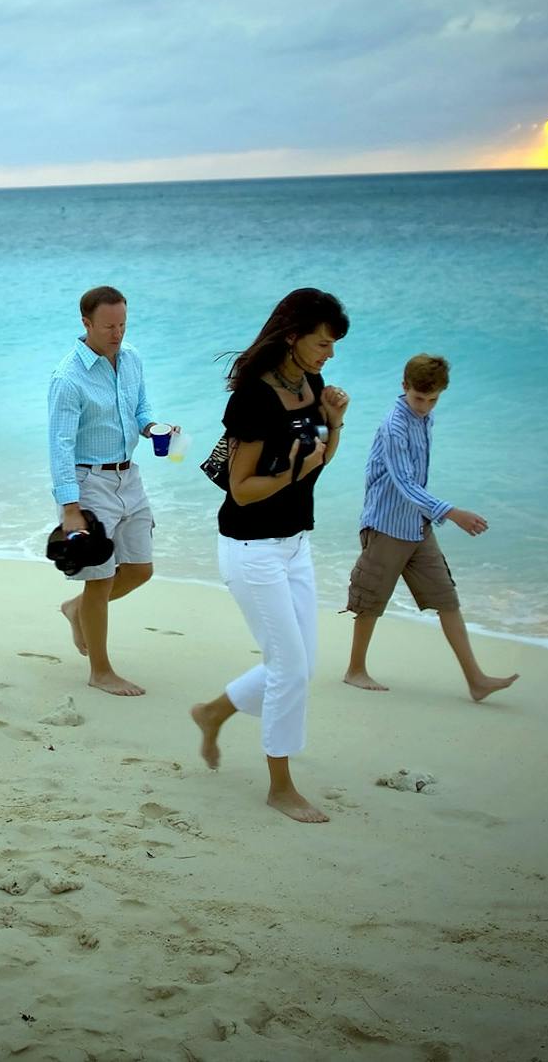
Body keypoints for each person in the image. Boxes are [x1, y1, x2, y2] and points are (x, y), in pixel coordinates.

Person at [190, 288, 350, 824]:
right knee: (289, 668)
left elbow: (319, 457)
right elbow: (242, 489)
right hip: (250, 549)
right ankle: (280, 785)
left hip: (295, 544)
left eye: (332, 346)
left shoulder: (312, 385)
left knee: (299, 667)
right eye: (323, 343)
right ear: (292, 336)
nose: (329, 354)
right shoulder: (253, 399)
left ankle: (212, 712)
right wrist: (295, 471)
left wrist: (335, 420)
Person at [339, 354, 518, 701]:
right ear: (404, 387)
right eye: (419, 398)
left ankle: (476, 680)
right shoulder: (394, 425)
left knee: (447, 600)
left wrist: (435, 515)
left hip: (417, 527)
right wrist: (452, 512)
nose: (424, 406)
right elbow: (403, 482)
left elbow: (413, 482)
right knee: (370, 601)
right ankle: (355, 670)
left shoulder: (425, 418)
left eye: (433, 399)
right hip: (386, 525)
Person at [48, 285, 176, 697]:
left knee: (140, 569)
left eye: (122, 324)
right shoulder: (68, 378)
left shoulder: (132, 358)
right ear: (86, 324)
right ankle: (100, 671)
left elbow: (141, 411)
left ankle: (77, 611)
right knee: (99, 580)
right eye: (108, 326)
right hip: (88, 484)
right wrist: (70, 508)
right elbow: (59, 445)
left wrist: (155, 429)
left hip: (129, 477)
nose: (117, 333)